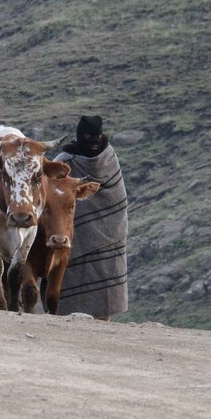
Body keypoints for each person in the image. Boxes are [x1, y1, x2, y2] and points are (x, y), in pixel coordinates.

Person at [52, 115, 128, 320]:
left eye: (98, 136)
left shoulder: (110, 160)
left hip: (109, 237)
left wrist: (112, 229)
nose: (94, 142)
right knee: (71, 278)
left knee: (104, 285)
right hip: (73, 237)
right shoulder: (64, 163)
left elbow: (116, 201)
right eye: (88, 136)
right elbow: (50, 195)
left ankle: (103, 322)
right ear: (80, 136)